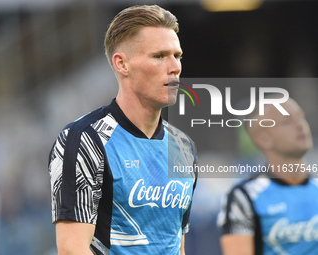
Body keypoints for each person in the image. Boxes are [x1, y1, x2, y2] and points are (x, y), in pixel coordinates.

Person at [48, 5, 197, 255]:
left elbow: (176, 244)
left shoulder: (184, 146)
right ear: (122, 64)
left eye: (177, 56)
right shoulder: (85, 139)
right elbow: (72, 248)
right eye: (159, 56)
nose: (175, 67)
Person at [217, 97, 318, 255]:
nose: (300, 126)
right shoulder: (244, 197)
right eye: (287, 121)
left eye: (301, 117)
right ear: (263, 139)